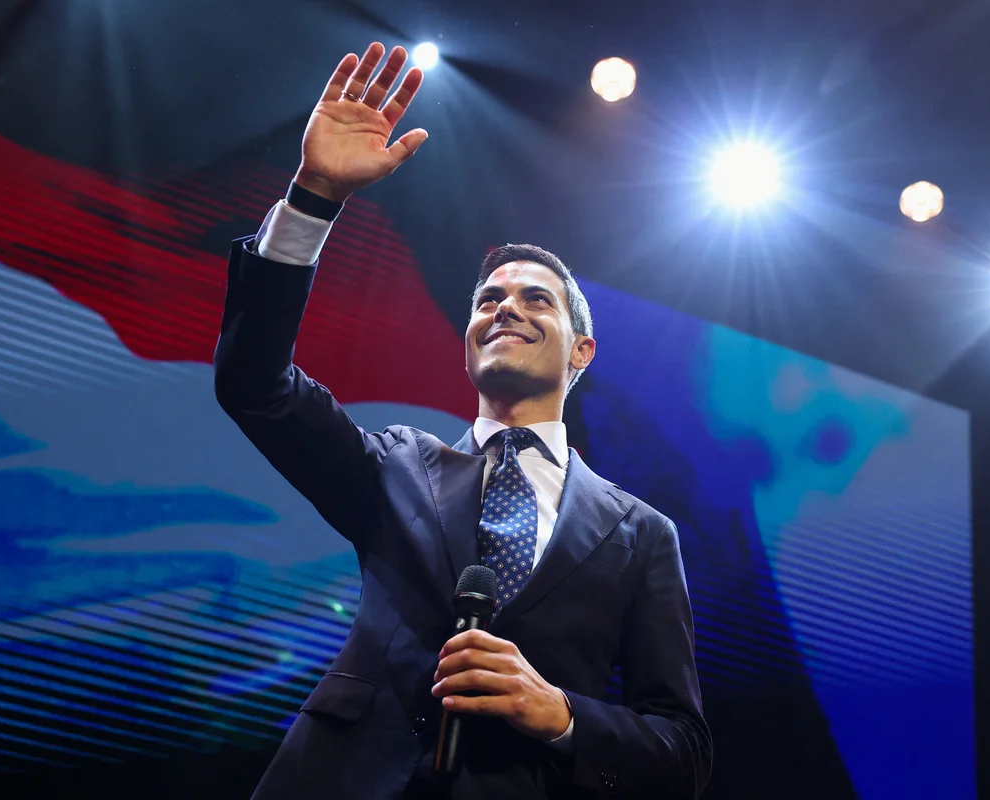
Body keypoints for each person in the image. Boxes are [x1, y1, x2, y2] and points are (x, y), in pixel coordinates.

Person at [214, 42, 712, 799]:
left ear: (582, 351)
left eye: (535, 298)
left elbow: (683, 751)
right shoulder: (394, 467)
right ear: (471, 340)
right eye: (487, 300)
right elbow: (254, 384)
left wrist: (559, 713)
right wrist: (314, 195)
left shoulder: (640, 534)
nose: (504, 306)